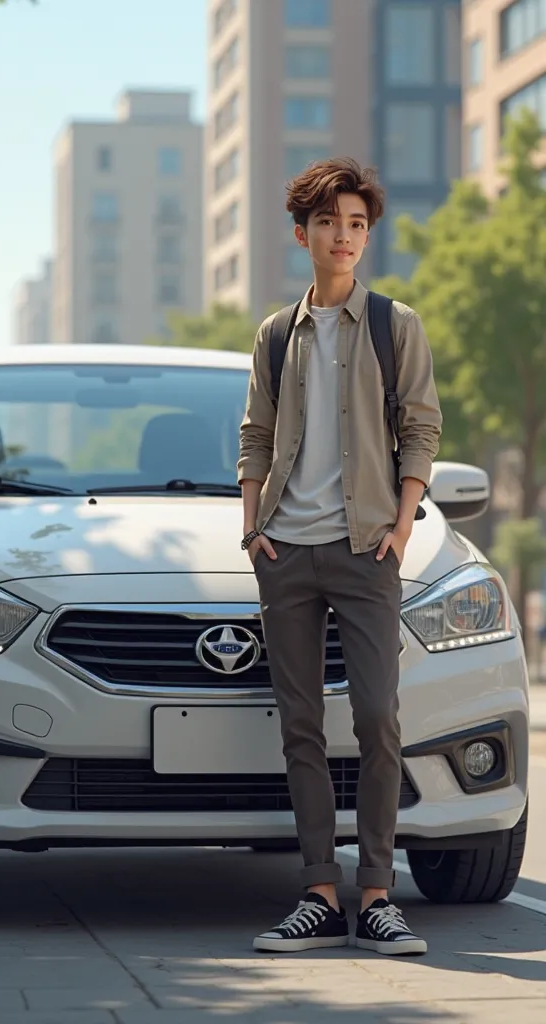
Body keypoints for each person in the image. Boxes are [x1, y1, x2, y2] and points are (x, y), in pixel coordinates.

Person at [238, 158, 442, 957]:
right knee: (299, 727)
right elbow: (256, 433)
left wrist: (399, 528)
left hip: (366, 551)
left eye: (357, 224)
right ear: (303, 234)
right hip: (287, 550)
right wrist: (253, 530)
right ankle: (319, 893)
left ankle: (381, 896)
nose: (344, 236)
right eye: (329, 223)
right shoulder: (276, 334)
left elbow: (421, 428)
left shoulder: (396, 326)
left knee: (379, 719)